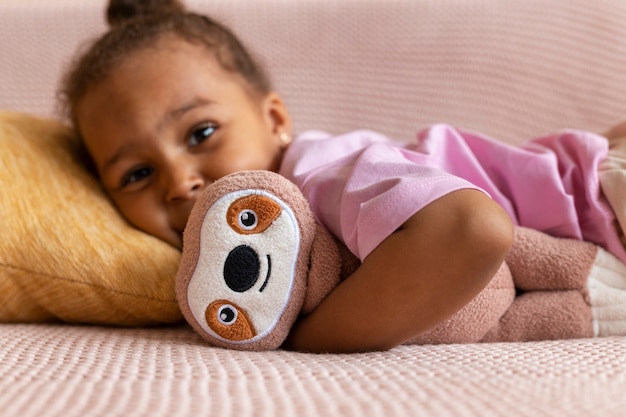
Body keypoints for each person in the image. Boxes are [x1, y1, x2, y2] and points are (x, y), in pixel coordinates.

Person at [59, 0, 626, 353]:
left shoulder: (323, 174)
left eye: (201, 134)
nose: (179, 180)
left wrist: (311, 337)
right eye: (135, 173)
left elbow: (471, 230)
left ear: (274, 119)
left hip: (600, 200)